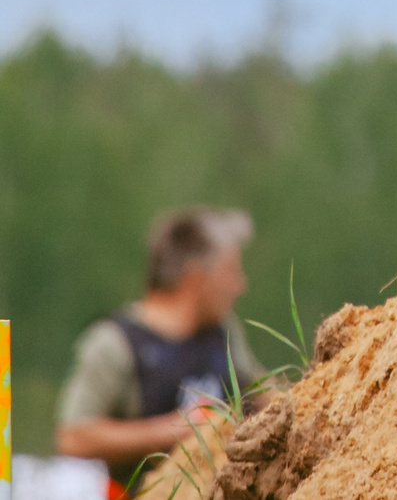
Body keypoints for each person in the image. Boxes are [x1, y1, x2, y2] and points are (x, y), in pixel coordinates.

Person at [55, 207, 268, 499]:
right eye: (230, 272)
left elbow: (264, 394)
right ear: (196, 277)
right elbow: (73, 437)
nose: (239, 285)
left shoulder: (223, 334)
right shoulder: (115, 342)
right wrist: (175, 430)